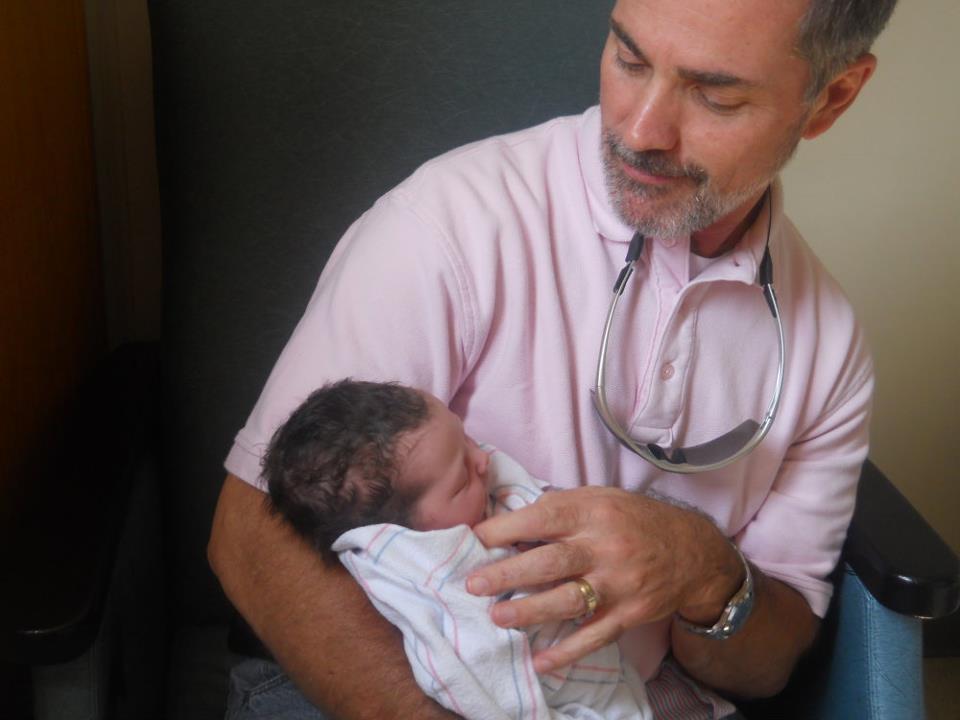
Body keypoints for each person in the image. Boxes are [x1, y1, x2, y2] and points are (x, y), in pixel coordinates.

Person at [209, 1, 899, 718]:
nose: (638, 131)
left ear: (831, 97)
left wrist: (705, 571)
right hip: (369, 677)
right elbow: (251, 536)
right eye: (629, 61)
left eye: (714, 95)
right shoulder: (451, 222)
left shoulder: (830, 346)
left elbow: (767, 664)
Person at [262, 378, 654, 720]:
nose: (484, 460)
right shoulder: (429, 579)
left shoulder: (459, 474)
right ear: (401, 535)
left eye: (465, 439)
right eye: (461, 480)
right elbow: (481, 681)